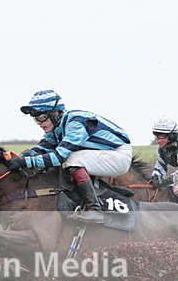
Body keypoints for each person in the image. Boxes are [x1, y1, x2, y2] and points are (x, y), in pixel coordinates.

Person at [9, 89, 132, 223]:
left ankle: (94, 210)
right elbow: (42, 149)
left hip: (119, 155)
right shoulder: (57, 127)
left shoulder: (76, 123)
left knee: (71, 160)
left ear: (56, 113)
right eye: (36, 119)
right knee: (71, 159)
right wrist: (20, 157)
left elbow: (58, 157)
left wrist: (25, 162)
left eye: (42, 117)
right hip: (103, 154)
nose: (39, 123)